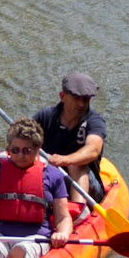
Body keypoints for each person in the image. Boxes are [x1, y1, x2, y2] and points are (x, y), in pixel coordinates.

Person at [0, 116, 78, 258]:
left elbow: (63, 217)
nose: (20, 155)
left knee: (22, 250)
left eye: (26, 150)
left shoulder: (53, 176)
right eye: (15, 150)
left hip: (35, 238)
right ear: (9, 149)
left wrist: (62, 233)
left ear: (37, 149)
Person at [33, 71, 108, 203]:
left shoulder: (94, 121)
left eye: (85, 99)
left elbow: (93, 149)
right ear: (62, 96)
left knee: (76, 165)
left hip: (86, 188)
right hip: (47, 180)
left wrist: (65, 160)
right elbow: (21, 138)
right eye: (76, 98)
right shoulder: (44, 117)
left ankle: (79, 211)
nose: (81, 104)